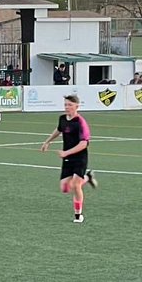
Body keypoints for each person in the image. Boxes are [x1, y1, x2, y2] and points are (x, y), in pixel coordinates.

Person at [40, 95, 97, 223]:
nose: (67, 107)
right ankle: (88, 178)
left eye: (70, 105)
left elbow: (84, 144)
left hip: (80, 157)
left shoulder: (80, 122)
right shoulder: (62, 119)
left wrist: (66, 153)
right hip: (67, 158)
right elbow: (59, 129)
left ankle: (78, 215)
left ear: (77, 106)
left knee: (76, 185)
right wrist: (47, 141)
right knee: (65, 188)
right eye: (65, 105)